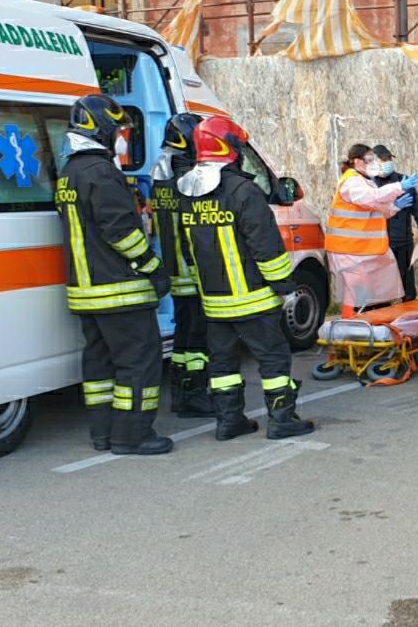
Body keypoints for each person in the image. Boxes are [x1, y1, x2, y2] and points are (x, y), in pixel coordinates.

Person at [177, 115, 314, 440]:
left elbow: (187, 247)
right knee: (273, 359)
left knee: (222, 365)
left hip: (214, 303)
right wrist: (286, 287)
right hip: (253, 299)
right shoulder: (244, 191)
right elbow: (265, 245)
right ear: (230, 149)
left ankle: (229, 422)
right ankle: (281, 419)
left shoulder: (188, 193)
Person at [55, 94, 173, 455]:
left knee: (100, 367)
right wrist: (154, 269)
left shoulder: (69, 172)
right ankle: (132, 435)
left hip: (86, 292)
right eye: (120, 130)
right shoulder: (102, 173)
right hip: (119, 290)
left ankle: (103, 434)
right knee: (138, 364)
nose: (123, 138)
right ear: (102, 129)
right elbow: (121, 231)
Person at [149, 112, 213, 419]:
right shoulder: (185, 174)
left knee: (184, 337)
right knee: (196, 340)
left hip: (176, 269)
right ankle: (193, 395)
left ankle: (182, 392)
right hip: (194, 271)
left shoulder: (161, 170)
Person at [325, 144, 418, 318]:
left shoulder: (363, 181)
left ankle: (369, 322)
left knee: (374, 288)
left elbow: (375, 208)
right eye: (369, 160)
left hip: (360, 249)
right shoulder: (351, 181)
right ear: (357, 161)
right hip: (348, 250)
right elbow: (372, 198)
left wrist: (394, 207)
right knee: (358, 294)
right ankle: (351, 325)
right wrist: (399, 186)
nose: (373, 163)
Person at [372, 144, 418, 301]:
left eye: (389, 158)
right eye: (384, 159)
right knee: (381, 284)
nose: (387, 162)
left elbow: (417, 208)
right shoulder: (370, 185)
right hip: (380, 244)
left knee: (406, 282)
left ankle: (408, 314)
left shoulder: (403, 181)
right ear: (375, 162)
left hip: (402, 241)